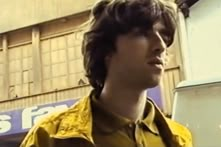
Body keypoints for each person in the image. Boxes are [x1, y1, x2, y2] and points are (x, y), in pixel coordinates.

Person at [20, 0, 192, 146]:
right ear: (106, 49)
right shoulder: (48, 137)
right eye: (142, 33)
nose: (161, 46)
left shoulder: (180, 139)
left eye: (164, 35)